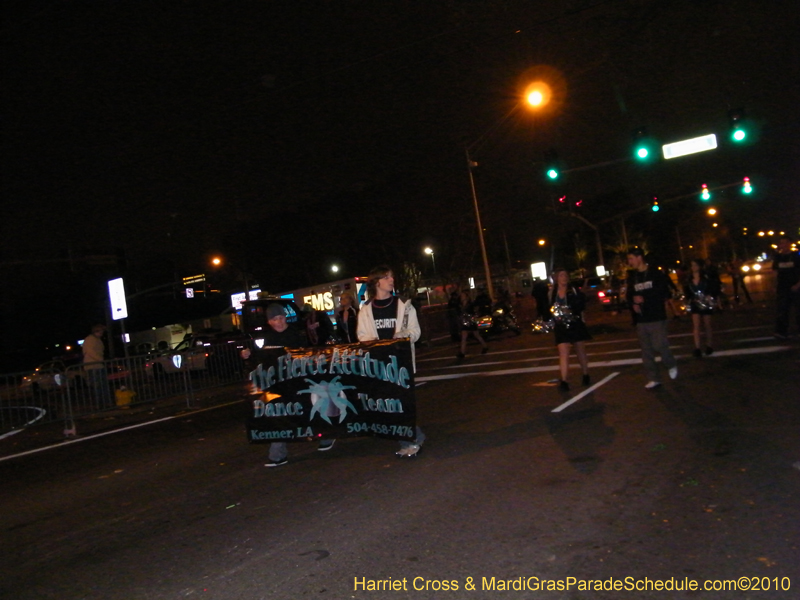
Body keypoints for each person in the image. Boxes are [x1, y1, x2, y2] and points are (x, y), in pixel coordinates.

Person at [356, 265, 425, 458]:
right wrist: (378, 345)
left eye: (392, 277)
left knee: (402, 403)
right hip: (379, 364)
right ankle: (414, 437)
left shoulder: (404, 304)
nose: (391, 280)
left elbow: (415, 332)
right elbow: (362, 336)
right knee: (390, 404)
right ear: (377, 282)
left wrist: (401, 337)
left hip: (401, 363)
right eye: (387, 277)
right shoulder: (366, 309)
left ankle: (410, 441)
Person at [261, 303, 335, 467]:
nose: (278, 322)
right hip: (280, 383)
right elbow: (263, 359)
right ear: (269, 322)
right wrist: (248, 354)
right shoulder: (268, 337)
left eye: (280, 318)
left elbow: (310, 354)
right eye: (274, 319)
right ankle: (277, 455)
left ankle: (326, 435)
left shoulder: (298, 333)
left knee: (311, 408)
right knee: (279, 413)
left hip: (301, 380)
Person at [626, 248, 678, 389]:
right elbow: (629, 294)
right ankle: (654, 378)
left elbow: (664, 292)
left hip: (656, 315)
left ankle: (670, 364)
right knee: (646, 350)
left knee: (659, 345)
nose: (629, 262)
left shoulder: (655, 273)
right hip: (641, 318)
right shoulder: (633, 276)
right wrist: (633, 303)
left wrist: (645, 297)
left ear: (639, 258)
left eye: (631, 258)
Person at [548, 269, 591, 391]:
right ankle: (564, 381)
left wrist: (572, 310)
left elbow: (581, 305)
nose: (564, 277)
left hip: (575, 323)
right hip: (561, 325)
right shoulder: (552, 292)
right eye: (561, 275)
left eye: (566, 275)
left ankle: (585, 374)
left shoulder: (573, 290)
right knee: (563, 352)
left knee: (580, 350)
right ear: (557, 278)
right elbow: (549, 308)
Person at [683, 258, 721, 357]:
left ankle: (709, 346)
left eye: (695, 265)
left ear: (699, 266)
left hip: (705, 302)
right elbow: (687, 292)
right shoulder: (688, 279)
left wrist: (710, 296)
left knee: (707, 324)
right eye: (692, 265)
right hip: (695, 303)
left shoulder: (706, 278)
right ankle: (697, 348)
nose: (693, 267)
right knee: (696, 325)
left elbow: (714, 287)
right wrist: (688, 301)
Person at [772, 234, 800, 340]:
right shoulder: (778, 258)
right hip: (783, 287)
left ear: (790, 244)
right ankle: (781, 332)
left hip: (796, 286)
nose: (783, 245)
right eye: (781, 243)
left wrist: (798, 284)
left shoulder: (796, 256)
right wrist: (774, 286)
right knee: (782, 310)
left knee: (798, 310)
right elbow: (775, 272)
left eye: (785, 243)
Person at [82, 324, 113, 407]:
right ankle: (100, 404)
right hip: (93, 366)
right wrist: (101, 360)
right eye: (100, 331)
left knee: (102, 385)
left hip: (98, 365)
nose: (102, 333)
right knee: (98, 385)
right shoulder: (90, 340)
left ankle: (104, 402)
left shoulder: (97, 339)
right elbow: (91, 352)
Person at [456, 290, 489, 361]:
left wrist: (472, 317)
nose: (461, 297)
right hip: (465, 322)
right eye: (461, 296)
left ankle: (485, 346)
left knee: (476, 335)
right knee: (464, 337)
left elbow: (473, 312)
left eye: (463, 295)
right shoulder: (461, 304)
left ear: (466, 297)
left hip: (471, 322)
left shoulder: (470, 304)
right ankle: (462, 352)